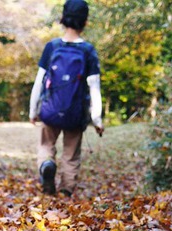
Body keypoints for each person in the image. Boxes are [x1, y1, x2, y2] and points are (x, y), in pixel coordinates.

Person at [29, 0, 104, 197]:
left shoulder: (52, 47)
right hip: (75, 113)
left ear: (62, 19)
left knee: (46, 145)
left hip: (51, 109)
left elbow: (39, 82)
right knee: (71, 155)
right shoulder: (88, 51)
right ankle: (65, 192)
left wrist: (33, 111)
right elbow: (94, 87)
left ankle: (47, 165)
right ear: (85, 22)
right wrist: (97, 120)